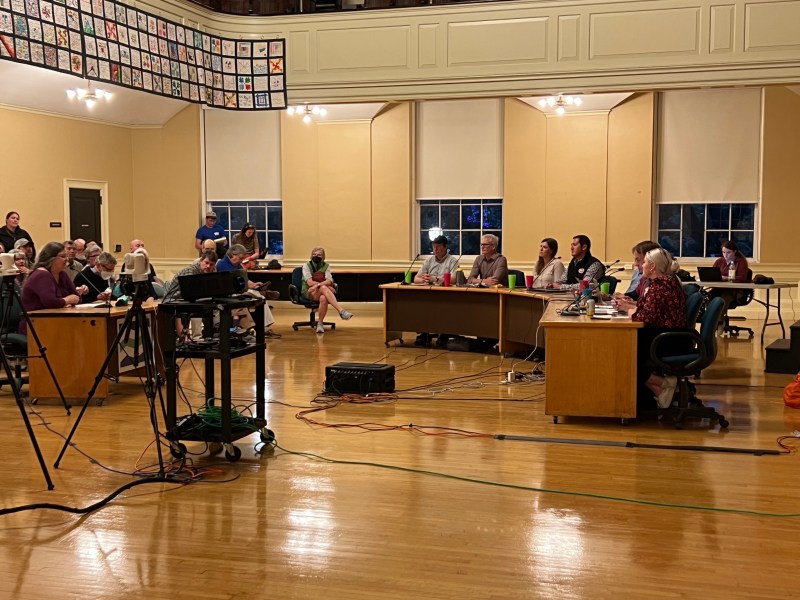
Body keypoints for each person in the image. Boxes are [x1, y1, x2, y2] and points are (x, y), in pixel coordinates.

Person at [614, 248, 686, 412]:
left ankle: (662, 384)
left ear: (652, 266)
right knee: (623, 350)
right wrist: (630, 306)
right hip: (666, 335)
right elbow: (647, 309)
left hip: (669, 340)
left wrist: (628, 310)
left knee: (623, 353)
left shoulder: (660, 287)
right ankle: (661, 387)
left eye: (644, 262)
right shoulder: (663, 282)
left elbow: (643, 317)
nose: (641, 265)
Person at [20, 242, 88, 332]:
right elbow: (51, 302)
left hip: (56, 322)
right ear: (51, 258)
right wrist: (67, 300)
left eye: (66, 256)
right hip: (36, 326)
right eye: (63, 256)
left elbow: (77, 298)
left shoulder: (62, 274)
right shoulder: (41, 274)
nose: (67, 259)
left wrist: (64, 301)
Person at [216, 244, 281, 339]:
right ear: (232, 255)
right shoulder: (223, 265)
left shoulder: (236, 264)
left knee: (260, 297)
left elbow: (244, 279)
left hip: (238, 290)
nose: (242, 260)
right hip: (230, 293)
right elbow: (231, 284)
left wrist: (254, 284)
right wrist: (248, 287)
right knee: (255, 296)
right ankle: (259, 327)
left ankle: (264, 326)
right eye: (240, 258)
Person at [413, 235, 459, 346]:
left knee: (443, 308)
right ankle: (425, 334)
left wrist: (436, 279)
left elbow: (453, 279)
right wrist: (423, 280)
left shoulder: (452, 261)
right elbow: (415, 278)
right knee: (420, 306)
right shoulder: (429, 261)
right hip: (428, 293)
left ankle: (444, 334)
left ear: (445, 247)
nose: (435, 249)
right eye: (434, 246)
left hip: (446, 295)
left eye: (438, 247)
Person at [302, 247, 353, 334]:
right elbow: (310, 282)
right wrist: (324, 284)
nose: (316, 256)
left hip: (319, 291)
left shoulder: (326, 266)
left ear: (323, 256)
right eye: (314, 254)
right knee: (324, 287)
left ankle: (320, 324)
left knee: (323, 298)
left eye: (319, 255)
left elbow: (329, 280)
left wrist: (318, 285)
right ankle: (341, 311)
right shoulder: (306, 265)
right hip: (309, 291)